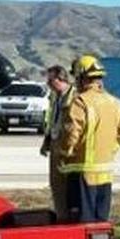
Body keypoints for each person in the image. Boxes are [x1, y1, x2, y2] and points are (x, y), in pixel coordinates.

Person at [58, 55, 120, 222]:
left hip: (81, 174)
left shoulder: (80, 102)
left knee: (82, 224)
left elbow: (71, 134)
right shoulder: (114, 102)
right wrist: (112, 148)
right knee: (100, 223)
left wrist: (63, 153)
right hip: (105, 174)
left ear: (82, 78)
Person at [40, 65, 74, 219]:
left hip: (67, 147)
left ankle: (69, 215)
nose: (48, 83)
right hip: (54, 143)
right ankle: (61, 215)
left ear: (61, 79)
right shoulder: (54, 96)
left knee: (68, 185)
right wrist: (46, 141)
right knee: (56, 184)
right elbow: (52, 119)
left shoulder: (74, 96)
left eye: (50, 79)